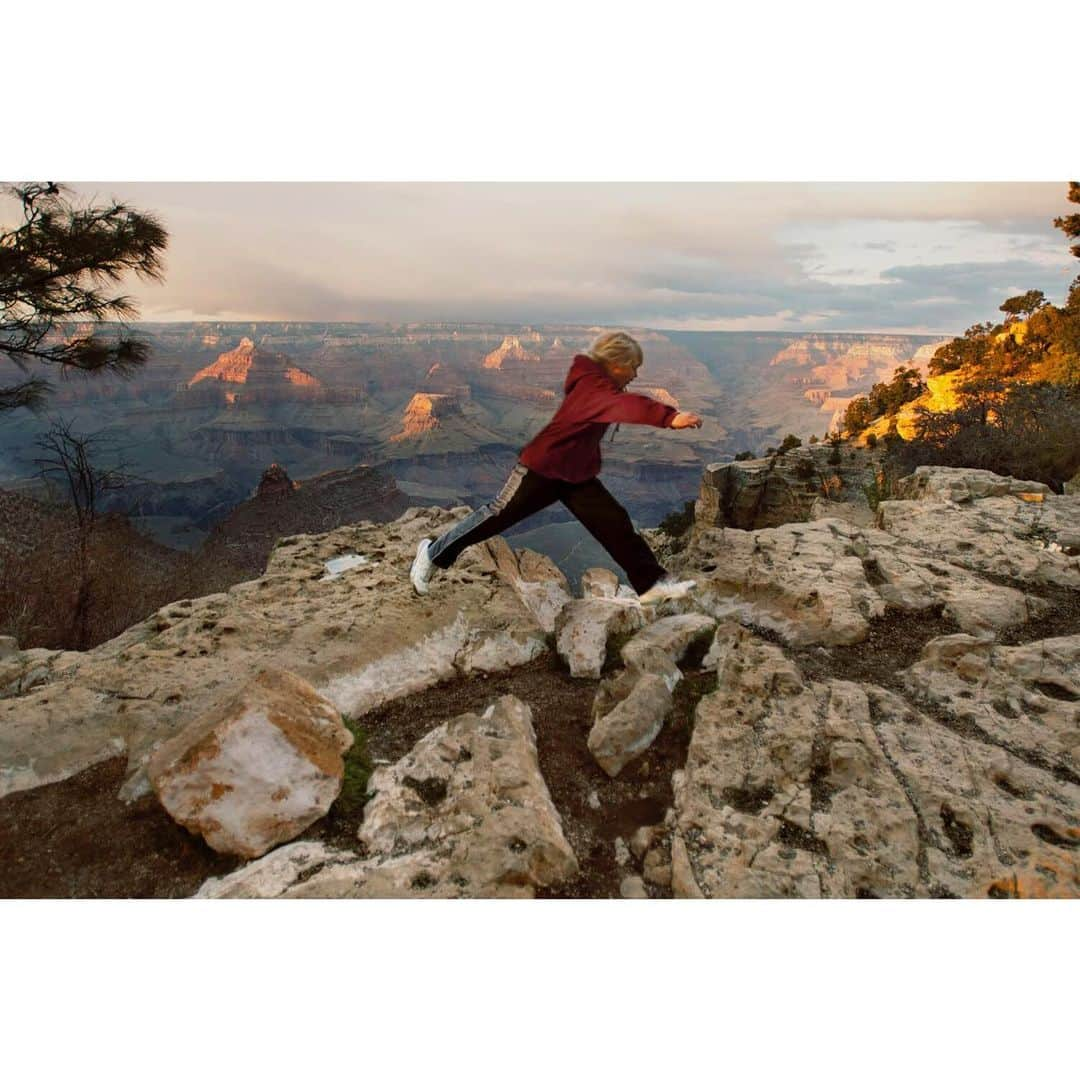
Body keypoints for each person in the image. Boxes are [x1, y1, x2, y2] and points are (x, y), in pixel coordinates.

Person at [410, 330, 703, 603]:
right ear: (615, 365)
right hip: (542, 468)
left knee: (615, 524)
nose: (636, 374)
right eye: (633, 367)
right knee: (496, 515)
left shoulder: (596, 385)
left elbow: (622, 402)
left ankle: (652, 585)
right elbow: (628, 405)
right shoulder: (593, 390)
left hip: (575, 475)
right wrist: (670, 417)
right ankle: (432, 554)